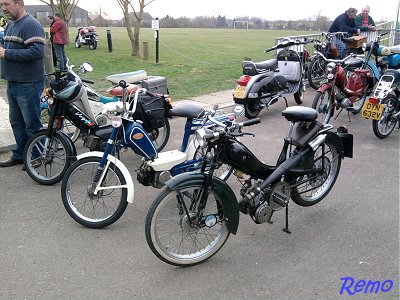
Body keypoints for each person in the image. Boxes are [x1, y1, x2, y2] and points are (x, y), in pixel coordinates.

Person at [0, 0, 45, 168]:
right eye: (1, 5)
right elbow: (8, 46)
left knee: (32, 124)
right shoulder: (11, 25)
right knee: (17, 123)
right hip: (13, 82)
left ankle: (38, 155)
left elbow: (36, 52)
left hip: (29, 83)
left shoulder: (31, 25)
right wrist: (3, 48)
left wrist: (6, 53)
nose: (3, 8)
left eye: (6, 4)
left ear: (19, 3)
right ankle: (20, 154)